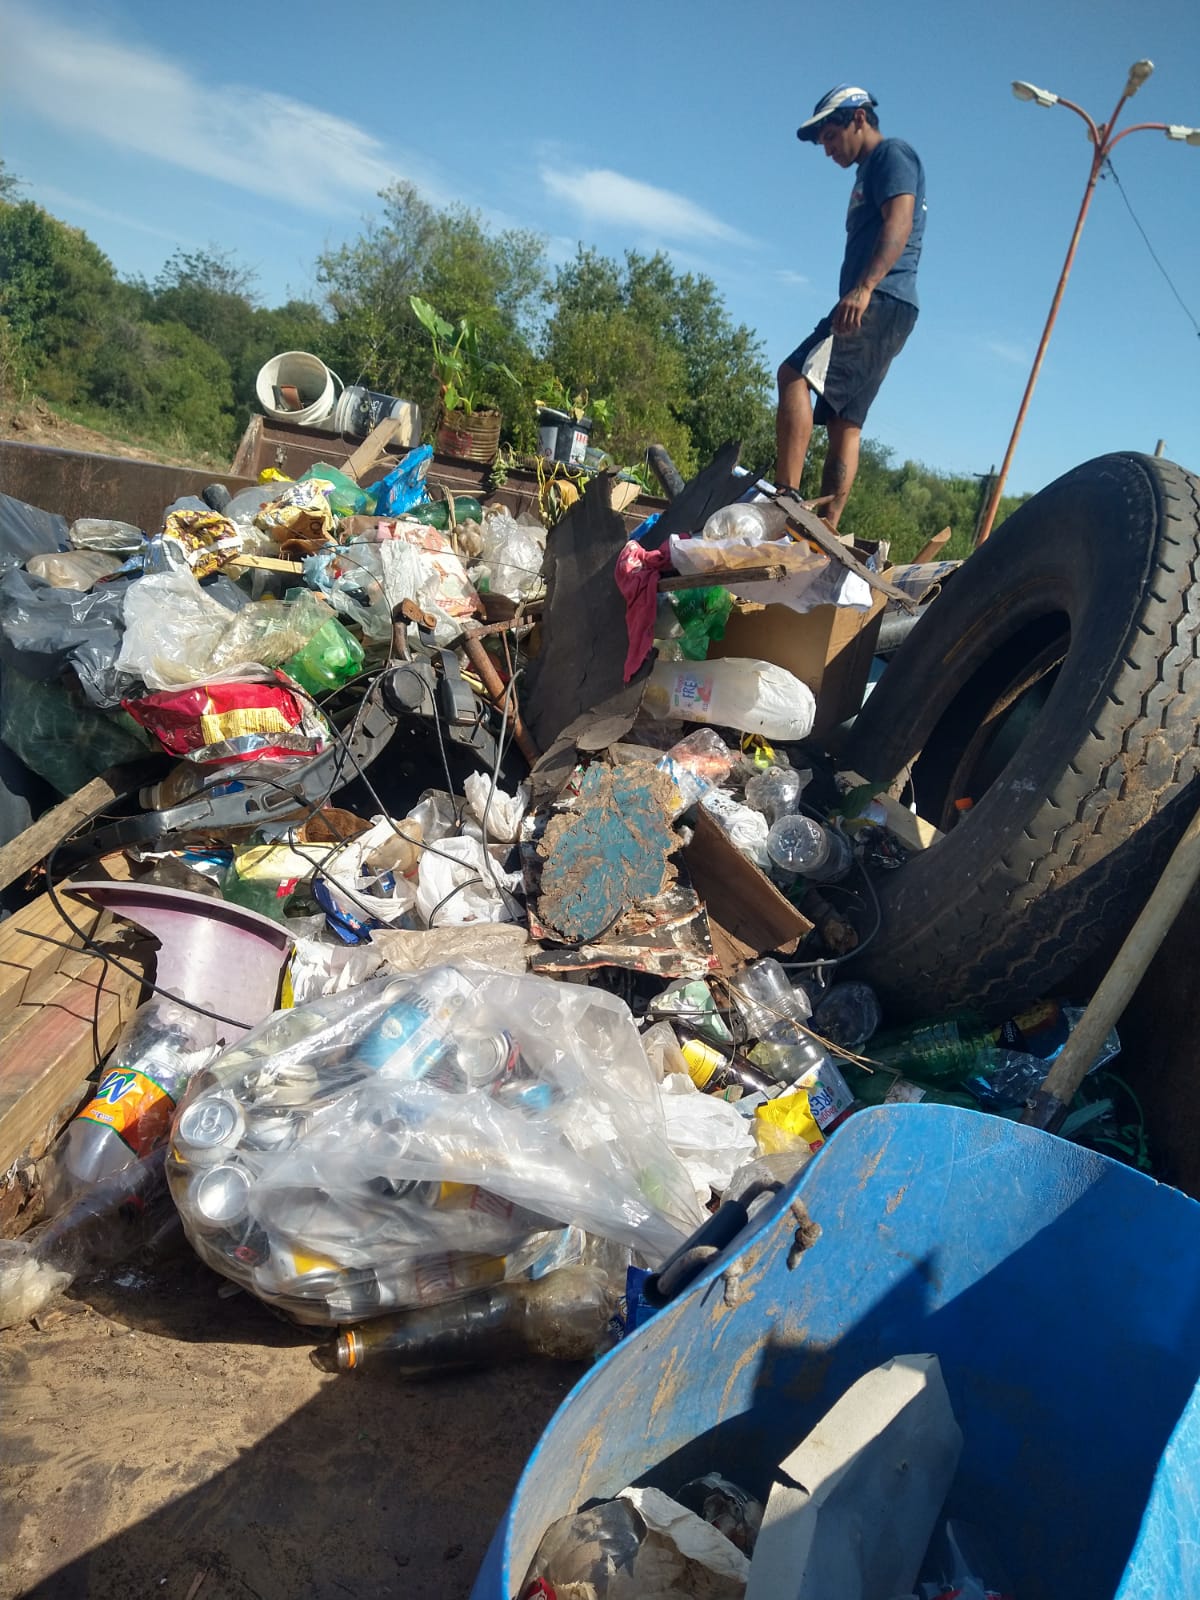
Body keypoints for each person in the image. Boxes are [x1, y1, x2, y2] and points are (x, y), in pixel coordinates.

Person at [776, 84, 926, 529]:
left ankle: (786, 496)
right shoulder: (871, 170)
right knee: (846, 420)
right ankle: (825, 525)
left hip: (878, 298)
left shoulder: (891, 156)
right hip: (892, 304)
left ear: (858, 118)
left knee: (793, 374)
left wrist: (864, 288)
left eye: (830, 137)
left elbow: (900, 221)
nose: (827, 151)